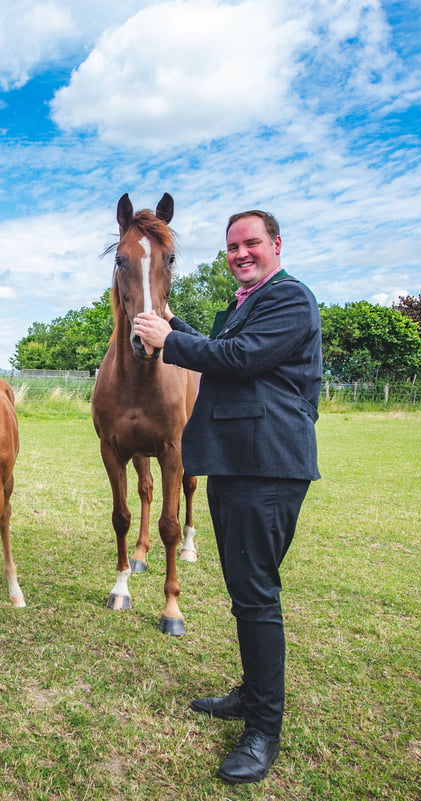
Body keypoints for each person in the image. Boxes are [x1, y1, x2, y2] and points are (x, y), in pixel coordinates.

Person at [132, 210, 322, 784]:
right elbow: (221, 346)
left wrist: (170, 339)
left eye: (252, 243)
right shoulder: (241, 305)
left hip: (267, 464)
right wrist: (174, 321)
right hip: (237, 462)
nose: (240, 253)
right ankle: (251, 693)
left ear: (276, 245)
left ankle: (264, 729)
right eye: (232, 246)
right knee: (245, 589)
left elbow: (238, 359)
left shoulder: (290, 299)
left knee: (258, 595)